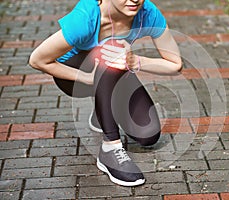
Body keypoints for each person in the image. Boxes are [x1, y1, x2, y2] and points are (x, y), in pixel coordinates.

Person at [29, 0, 182, 187]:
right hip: (73, 77)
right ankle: (110, 149)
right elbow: (37, 60)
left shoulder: (147, 13)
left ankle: (101, 110)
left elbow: (175, 64)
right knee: (112, 49)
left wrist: (136, 61)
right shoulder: (86, 18)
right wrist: (87, 78)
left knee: (148, 134)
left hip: (110, 73)